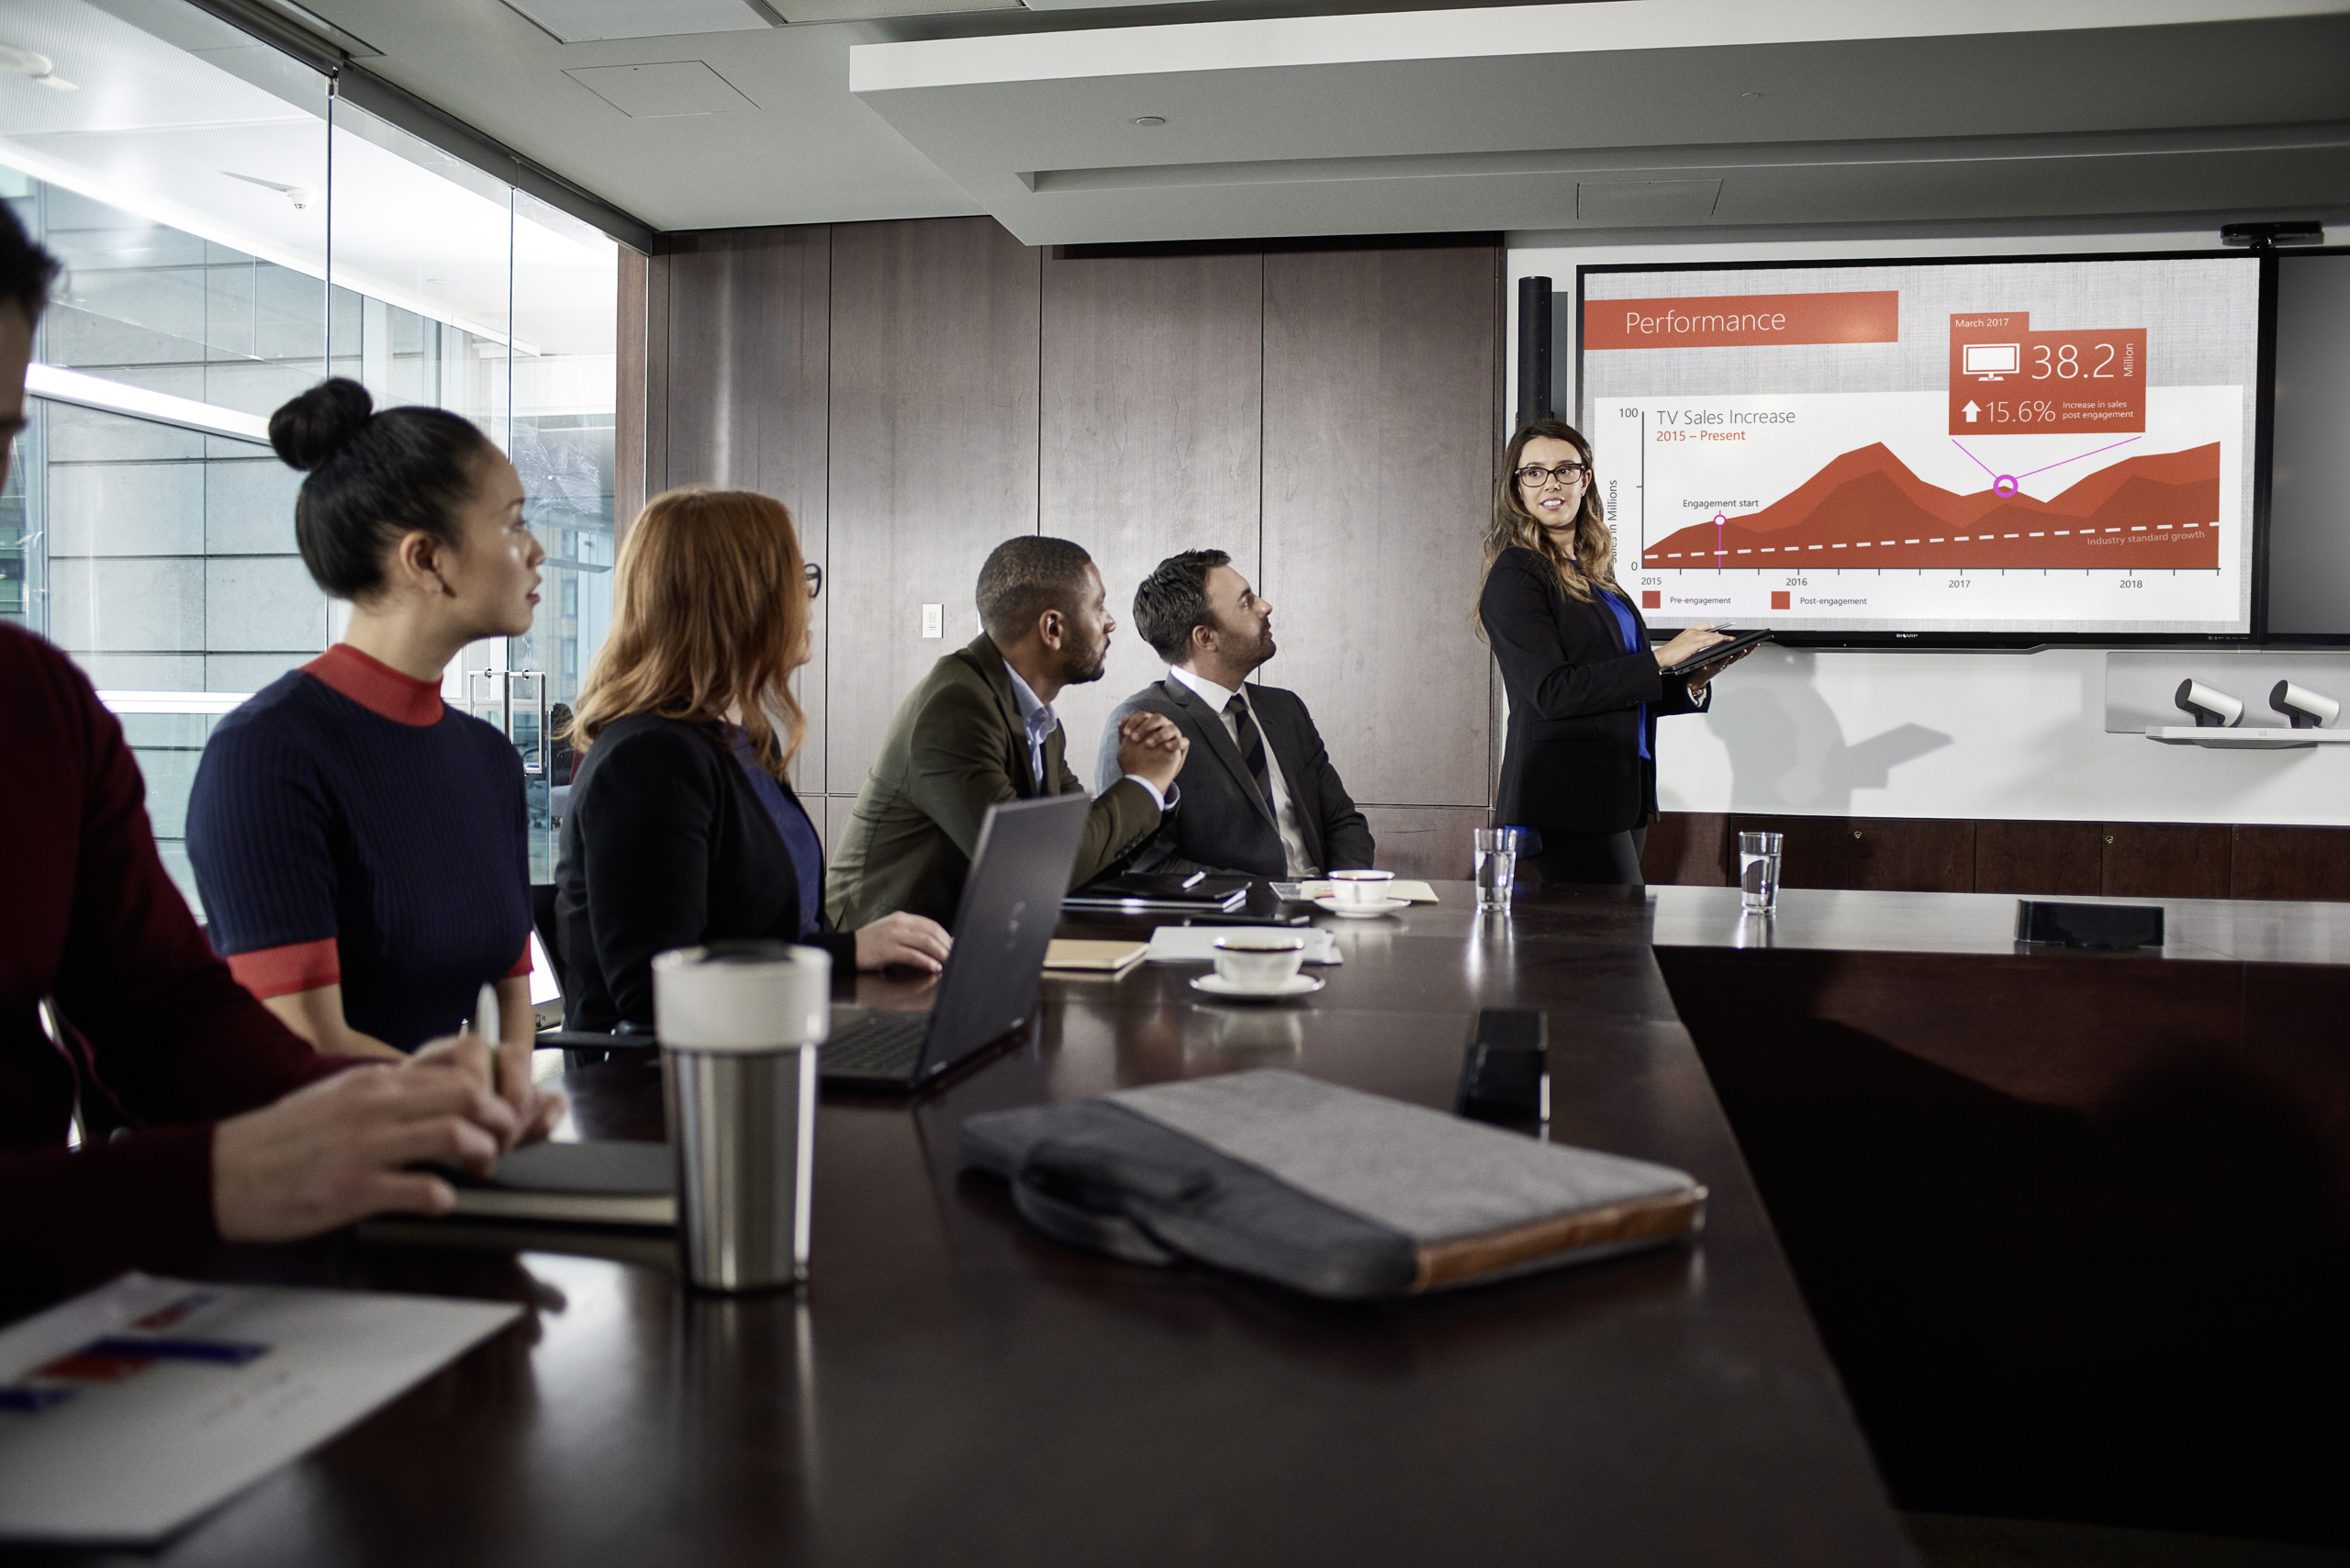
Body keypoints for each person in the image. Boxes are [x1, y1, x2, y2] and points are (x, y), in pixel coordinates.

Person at [0, 206, 551, 1305]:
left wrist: (369, 1115)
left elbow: (168, 1015)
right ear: (424, 558)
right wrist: (217, 1174)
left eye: (3, 433)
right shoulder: (270, 750)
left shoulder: (37, 703)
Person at [185, 378, 547, 1121]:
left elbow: (514, 988)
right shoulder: (268, 753)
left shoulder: (488, 759)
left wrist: (511, 1097)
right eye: (513, 524)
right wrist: (485, 1106)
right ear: (426, 559)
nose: (536, 551)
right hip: (320, 1169)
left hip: (456, 1145)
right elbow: (305, 1036)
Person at [554, 487, 952, 1032]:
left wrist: (853, 950)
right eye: (797, 579)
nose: (808, 599)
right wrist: (847, 952)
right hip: (666, 1094)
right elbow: (654, 992)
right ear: (738, 600)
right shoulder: (649, 760)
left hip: (767, 1044)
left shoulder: (744, 743)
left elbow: (772, 934)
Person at [827, 536, 1190, 930]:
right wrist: (1145, 782)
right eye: (1098, 605)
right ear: (1053, 628)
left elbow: (1082, 853)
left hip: (971, 945)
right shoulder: (956, 708)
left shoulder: (1037, 717)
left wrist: (1153, 787)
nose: (1110, 621)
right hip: (876, 963)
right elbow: (1029, 869)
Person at [1478, 418, 1749, 886]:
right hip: (1565, 798)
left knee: (1608, 949)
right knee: (1614, 949)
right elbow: (1553, 693)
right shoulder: (1516, 577)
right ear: (1517, 488)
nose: (1551, 483)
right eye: (1534, 472)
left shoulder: (1596, 577)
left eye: (1565, 469)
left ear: (1584, 480)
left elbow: (1613, 690)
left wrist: (1690, 681)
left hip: (1622, 791)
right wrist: (1662, 657)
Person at [1098, 549, 1372, 879]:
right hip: (1230, 922)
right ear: (1205, 637)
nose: (1265, 606)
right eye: (1246, 602)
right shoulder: (1141, 724)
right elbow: (1149, 867)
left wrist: (1343, 895)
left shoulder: (1286, 710)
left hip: (1324, 909)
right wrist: (1270, 903)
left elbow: (1343, 822)